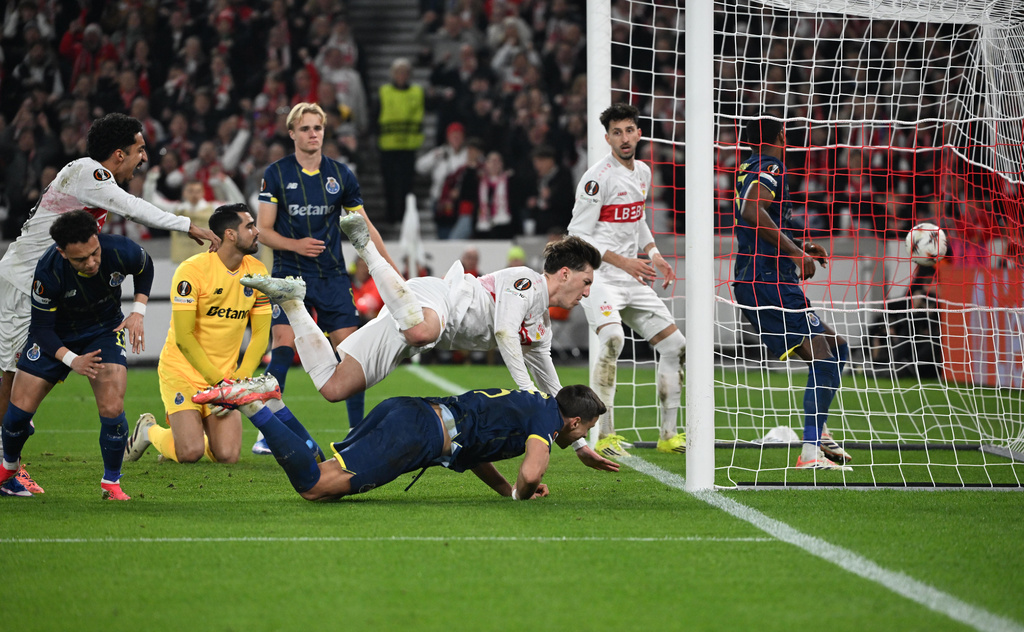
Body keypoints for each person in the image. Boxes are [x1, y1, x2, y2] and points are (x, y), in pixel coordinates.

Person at [242, 227, 618, 471]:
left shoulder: (542, 327)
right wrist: (528, 396)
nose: (587, 292)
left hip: (419, 328)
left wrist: (581, 444)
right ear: (564, 273)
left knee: (334, 387)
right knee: (422, 331)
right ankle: (367, 248)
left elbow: (552, 386)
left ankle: (293, 303)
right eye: (586, 282)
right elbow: (505, 333)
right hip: (434, 301)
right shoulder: (527, 282)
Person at [0, 113, 219, 491]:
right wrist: (187, 224)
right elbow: (133, 207)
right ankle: (7, 460)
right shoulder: (92, 175)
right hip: (25, 284)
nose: (144, 158)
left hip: (35, 277)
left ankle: (11, 448)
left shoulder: (81, 173)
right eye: (139, 150)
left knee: (15, 377)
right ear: (118, 155)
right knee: (12, 376)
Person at [193, 376, 615, 501]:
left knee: (322, 467)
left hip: (411, 411)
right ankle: (253, 406)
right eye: (587, 429)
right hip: (416, 434)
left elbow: (472, 456)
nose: (583, 437)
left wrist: (507, 492)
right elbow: (531, 470)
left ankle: (275, 401)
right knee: (315, 488)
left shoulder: (533, 405)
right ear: (574, 422)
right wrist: (523, 493)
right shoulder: (546, 421)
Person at [254, 102, 395, 453]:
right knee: (282, 345)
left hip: (331, 275)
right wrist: (296, 245)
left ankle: (356, 432)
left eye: (317, 128)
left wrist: (389, 266)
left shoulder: (341, 175)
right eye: (305, 129)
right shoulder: (276, 174)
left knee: (352, 351)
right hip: (288, 272)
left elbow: (363, 225)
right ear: (292, 134)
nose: (312, 134)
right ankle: (267, 432)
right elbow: (263, 231)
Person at [0, 210, 153, 499]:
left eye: (94, 253)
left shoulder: (119, 249)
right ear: (62, 252)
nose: (92, 262)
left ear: (98, 237)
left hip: (103, 331)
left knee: (112, 407)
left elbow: (145, 267)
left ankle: (111, 482)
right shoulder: (48, 272)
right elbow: (42, 329)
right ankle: (8, 469)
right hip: (56, 336)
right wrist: (73, 360)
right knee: (17, 413)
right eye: (81, 259)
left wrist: (139, 311)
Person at [567, 103, 687, 458]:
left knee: (675, 345)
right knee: (613, 339)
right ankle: (604, 434)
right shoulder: (596, 179)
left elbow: (638, 221)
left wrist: (652, 254)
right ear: (607, 138)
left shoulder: (644, 173)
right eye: (616, 132)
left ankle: (668, 434)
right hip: (599, 277)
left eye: (629, 130)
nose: (624, 138)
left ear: (638, 133)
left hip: (631, 275)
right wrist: (625, 262)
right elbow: (578, 235)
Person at [733, 117, 852, 471]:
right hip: (767, 280)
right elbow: (752, 211)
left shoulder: (748, 165)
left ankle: (820, 431)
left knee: (838, 348)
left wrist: (798, 245)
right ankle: (811, 452)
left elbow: (758, 218)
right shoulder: (770, 165)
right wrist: (794, 252)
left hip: (767, 277)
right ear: (781, 137)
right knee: (825, 357)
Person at [122, 205, 271, 465]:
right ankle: (149, 431)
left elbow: (260, 333)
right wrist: (220, 381)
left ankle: (191, 434)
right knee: (189, 453)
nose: (257, 231)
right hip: (182, 372)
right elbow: (184, 337)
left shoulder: (258, 272)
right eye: (249, 226)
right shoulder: (192, 271)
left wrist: (237, 379)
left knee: (228, 456)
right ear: (230, 234)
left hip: (225, 377)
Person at [377, 58, 425, 224]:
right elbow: (375, 114)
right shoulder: (384, 91)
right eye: (398, 72)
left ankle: (405, 215)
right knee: (389, 182)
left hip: (409, 145)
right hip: (388, 145)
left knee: (407, 184)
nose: (402, 75)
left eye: (405, 72)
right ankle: (391, 215)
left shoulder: (417, 92)